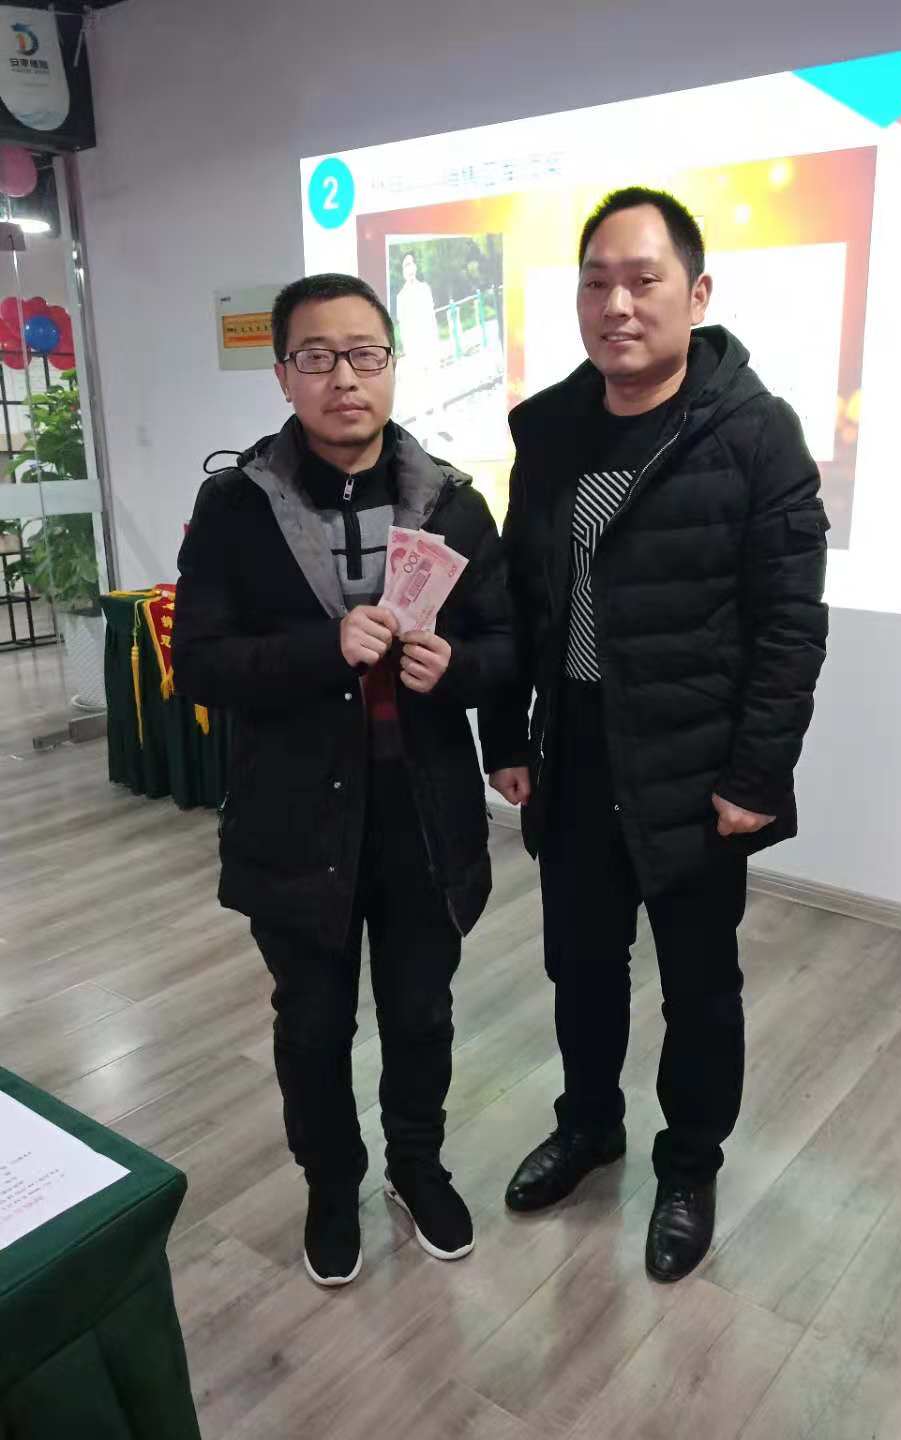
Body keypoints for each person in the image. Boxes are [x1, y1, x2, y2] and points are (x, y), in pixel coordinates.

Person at [480, 187, 829, 1284]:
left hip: (694, 762)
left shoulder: (753, 432)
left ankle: (689, 1166)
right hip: (577, 749)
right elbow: (520, 597)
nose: (617, 305)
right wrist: (506, 733)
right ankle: (590, 1127)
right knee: (581, 968)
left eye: (643, 280)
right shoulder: (550, 431)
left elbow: (790, 623)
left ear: (697, 292)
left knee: (698, 986)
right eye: (597, 282)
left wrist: (755, 774)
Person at [173, 272, 514, 1288]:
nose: (344, 379)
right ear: (284, 375)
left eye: (365, 354)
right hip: (294, 818)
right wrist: (323, 649)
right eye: (316, 357)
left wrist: (459, 667)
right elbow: (200, 663)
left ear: (393, 366)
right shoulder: (235, 507)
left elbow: (509, 646)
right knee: (314, 1024)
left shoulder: (454, 502)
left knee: (421, 1013)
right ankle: (332, 1183)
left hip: (422, 813)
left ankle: (417, 1165)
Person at [396, 251, 453, 447]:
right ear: (402, 271)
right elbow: (403, 326)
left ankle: (442, 426)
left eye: (411, 263)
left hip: (429, 344)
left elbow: (431, 317)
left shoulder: (424, 289)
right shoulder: (401, 297)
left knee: (435, 385)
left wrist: (436, 344)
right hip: (414, 349)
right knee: (419, 391)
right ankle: (424, 433)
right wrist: (409, 350)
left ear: (416, 266)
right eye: (406, 265)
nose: (410, 268)